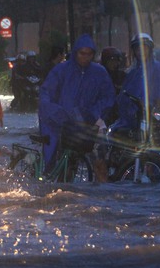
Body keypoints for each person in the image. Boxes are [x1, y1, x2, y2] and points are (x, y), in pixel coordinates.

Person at [39, 34, 115, 177]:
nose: (85, 57)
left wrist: (94, 113)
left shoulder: (99, 73)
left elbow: (108, 97)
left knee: (100, 163)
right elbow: (46, 95)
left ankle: (103, 194)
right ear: (75, 53)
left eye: (89, 54)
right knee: (63, 165)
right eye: (82, 53)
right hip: (65, 124)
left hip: (91, 123)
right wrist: (58, 113)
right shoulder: (61, 71)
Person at [112, 33, 160, 147]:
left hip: (154, 123)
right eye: (137, 48)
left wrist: (154, 113)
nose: (141, 51)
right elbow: (124, 97)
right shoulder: (132, 73)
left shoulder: (159, 71)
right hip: (131, 123)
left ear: (150, 49)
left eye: (144, 48)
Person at [100, 47, 126, 126]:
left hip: (120, 115)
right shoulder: (100, 76)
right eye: (111, 60)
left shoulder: (123, 76)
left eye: (116, 60)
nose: (114, 63)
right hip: (104, 115)